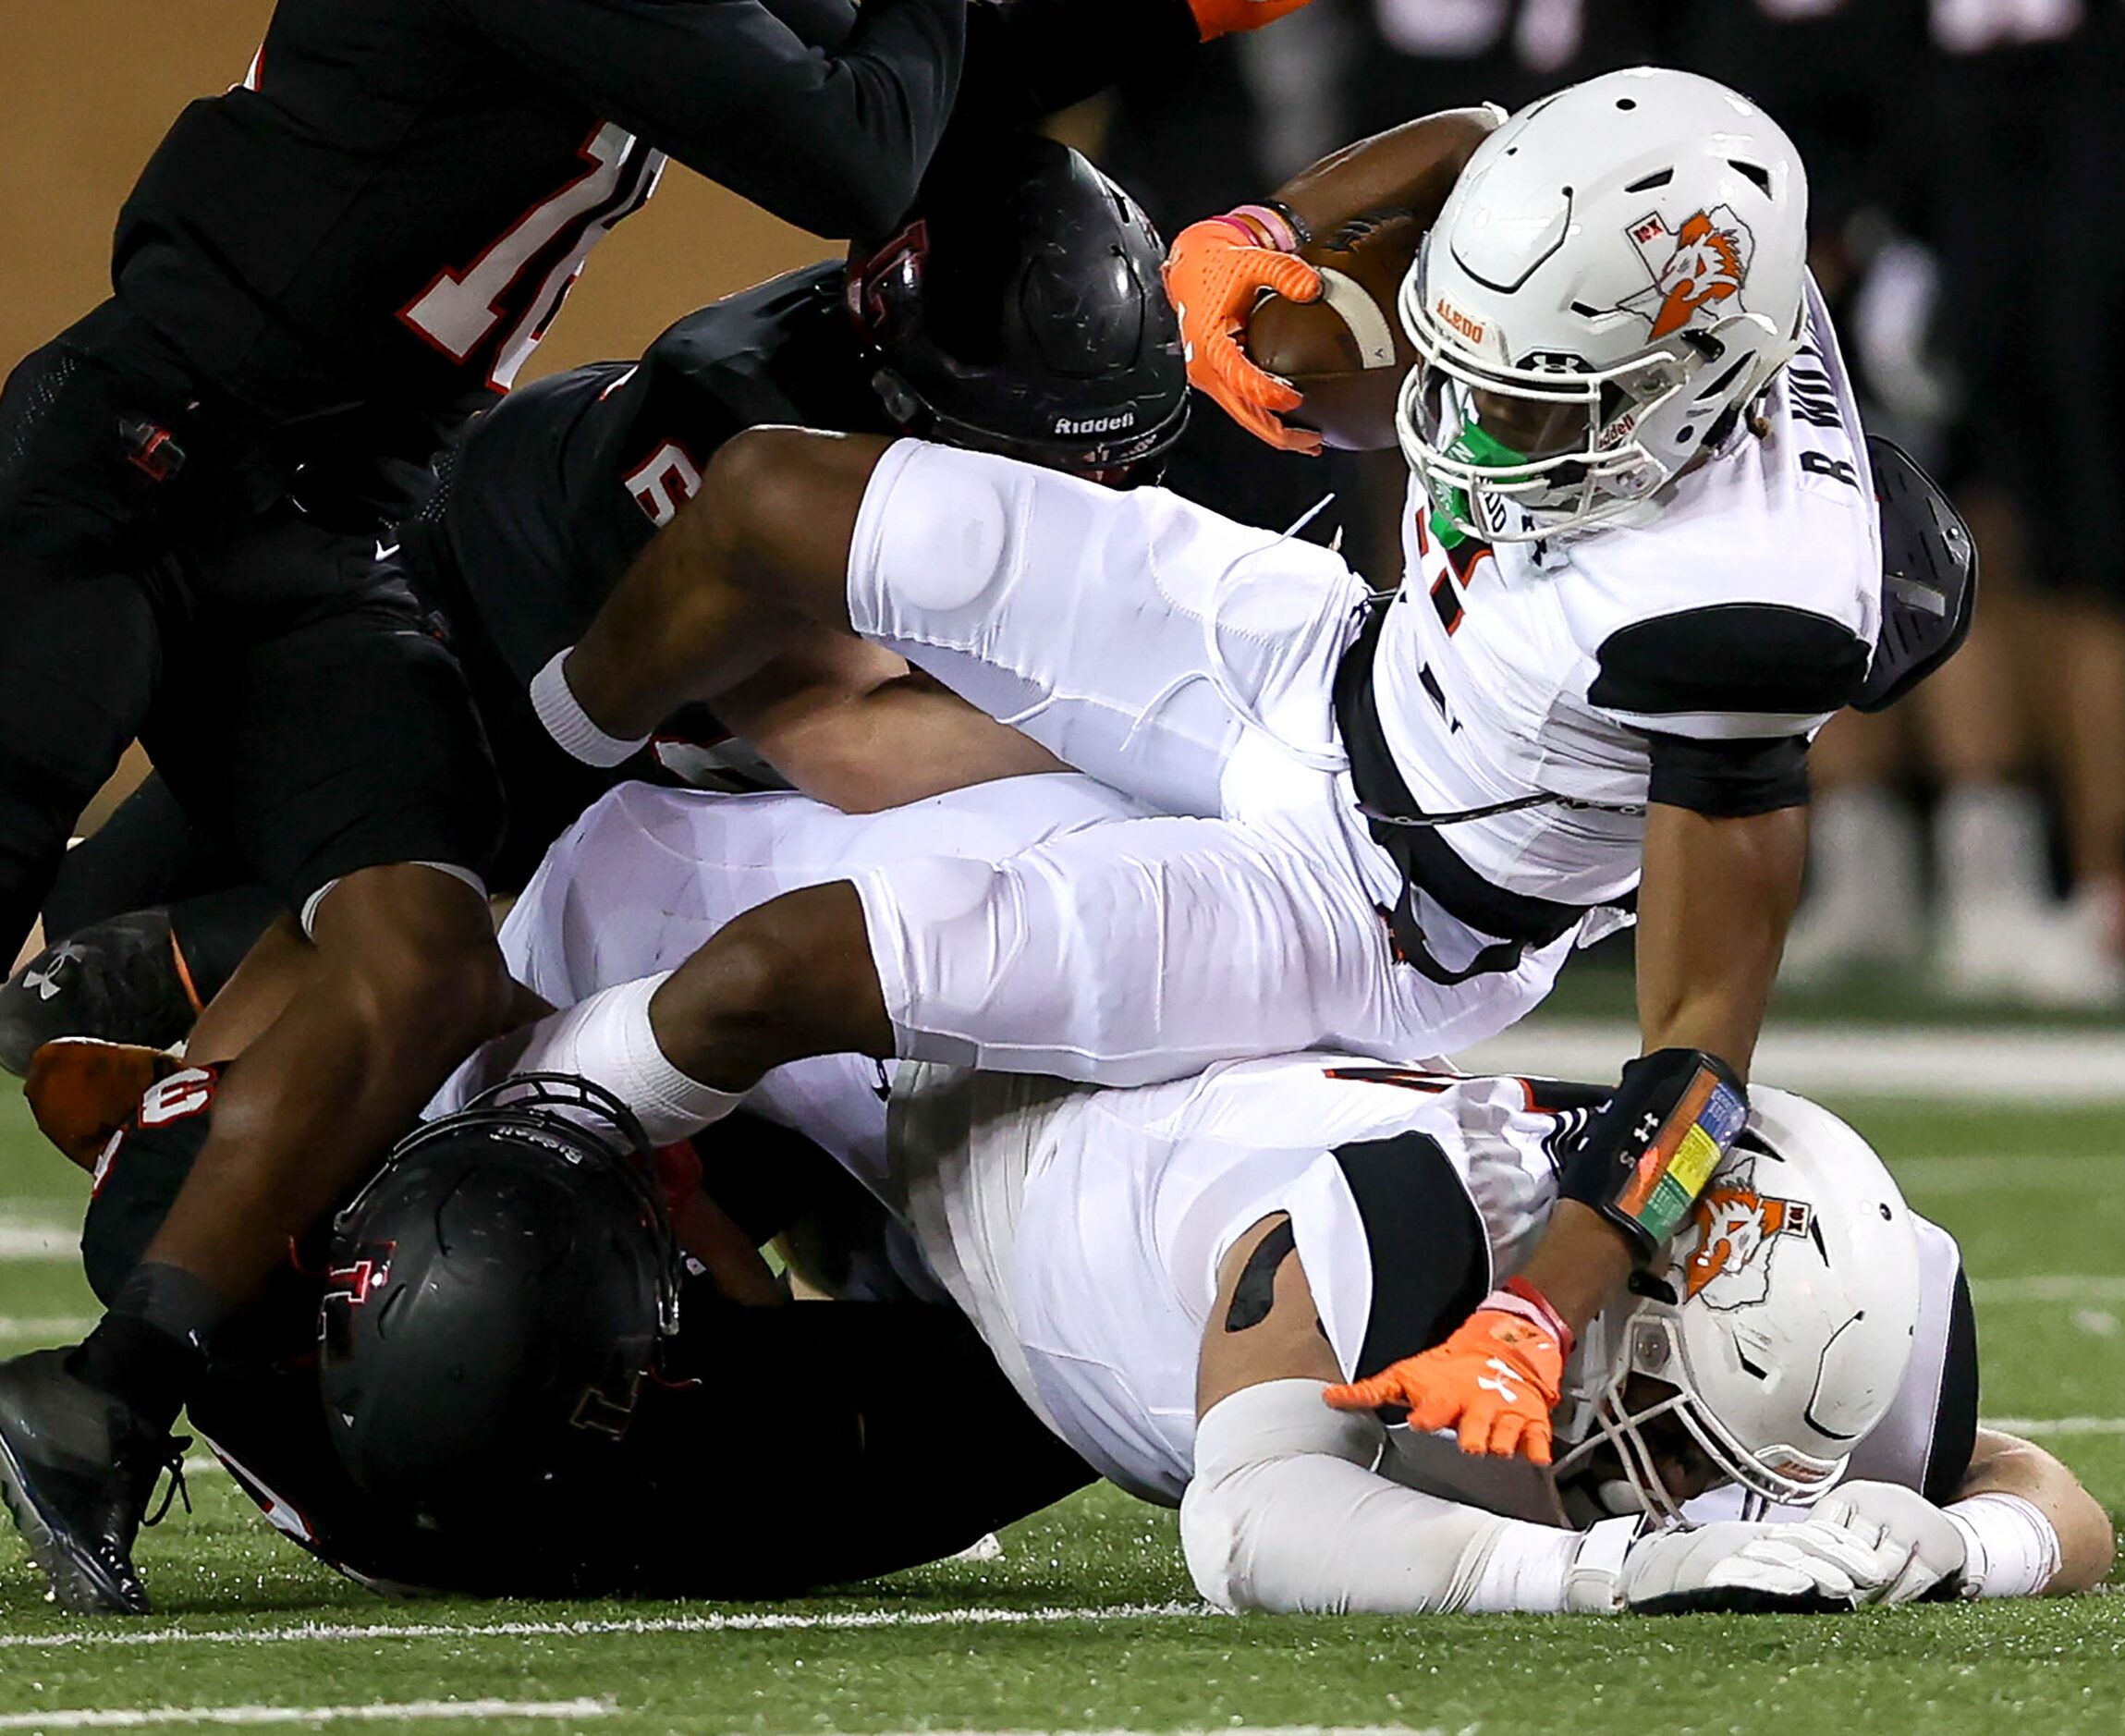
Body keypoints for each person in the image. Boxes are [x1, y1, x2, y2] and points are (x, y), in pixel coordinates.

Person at [0, 0, 1303, 1611]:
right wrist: (1237, 750)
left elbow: (967, 56)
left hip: (334, 536)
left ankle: (116, 1352)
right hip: (268, 529)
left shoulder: (829, 350)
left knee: (409, 953)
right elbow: (849, 146)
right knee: (532, 903)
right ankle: (173, 964)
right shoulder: (746, 421)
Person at [512, 69, 1966, 1468]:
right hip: (1325, 658)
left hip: (1366, 902)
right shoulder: (1688, 223)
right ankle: (527, 756)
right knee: (771, 499)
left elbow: (1703, 1062)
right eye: (1466, 370)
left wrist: (1541, 1311)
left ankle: (518, 1156)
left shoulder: (1745, 621)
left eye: (1530, 406)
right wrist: (1256, 233)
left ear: (1688, 401)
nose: (1459, 429)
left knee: (778, 970)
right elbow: (1483, 137)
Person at [442, 773, 2109, 1613]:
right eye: (1671, 1439)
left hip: (1015, 1245)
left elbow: (2045, 1482)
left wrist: (1969, 1538)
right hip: (818, 990)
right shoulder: (1402, 1214)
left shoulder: (1828, 1280)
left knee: (903, 1421)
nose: (1677, 1491)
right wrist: (1605, 1577)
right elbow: (1252, 1526)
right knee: (481, 1306)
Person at [0, 133, 1188, 1056]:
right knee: (443, 910)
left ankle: (173, 999)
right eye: (1043, 452)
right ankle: (184, 977)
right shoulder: (751, 418)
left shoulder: (930, 353)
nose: (1084, 483)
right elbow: (846, 741)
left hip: (564, 601)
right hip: (498, 623)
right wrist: (1155, 733)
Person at [22, 1058, 1092, 1599]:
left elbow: (347, 978)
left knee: (761, 1072)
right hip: (594, 1473)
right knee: (1080, 1381)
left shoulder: (207, 1225)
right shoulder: (611, 1443)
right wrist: (724, 1269)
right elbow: (751, 1340)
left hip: (503, 1338)